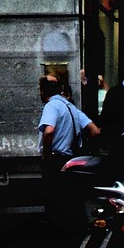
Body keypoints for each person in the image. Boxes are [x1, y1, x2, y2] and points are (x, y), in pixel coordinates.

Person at [38, 75, 100, 234]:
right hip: (72, 159)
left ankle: (58, 242)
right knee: (72, 202)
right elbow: (95, 131)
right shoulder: (71, 107)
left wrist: (46, 154)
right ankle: (74, 238)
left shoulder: (52, 106)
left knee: (55, 203)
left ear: (43, 92)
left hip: (56, 159)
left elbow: (49, 131)